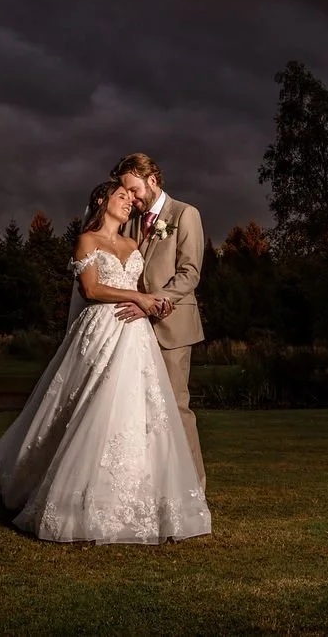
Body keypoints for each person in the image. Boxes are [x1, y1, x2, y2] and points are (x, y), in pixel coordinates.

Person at [0, 181, 211, 545]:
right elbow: (91, 290)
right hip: (101, 329)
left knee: (137, 412)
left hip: (136, 337)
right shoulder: (87, 241)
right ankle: (70, 495)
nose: (129, 202)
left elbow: (161, 279)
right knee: (88, 406)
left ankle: (142, 495)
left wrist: (151, 302)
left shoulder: (132, 243)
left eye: (131, 197)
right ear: (101, 201)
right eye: (121, 196)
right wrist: (138, 297)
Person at [111, 153, 207, 490]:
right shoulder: (133, 222)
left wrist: (150, 305)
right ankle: (154, 486)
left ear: (153, 180)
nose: (133, 198)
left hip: (171, 328)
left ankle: (194, 489)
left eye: (135, 190)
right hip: (135, 330)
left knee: (177, 409)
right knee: (141, 410)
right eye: (127, 192)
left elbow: (189, 274)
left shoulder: (185, 215)